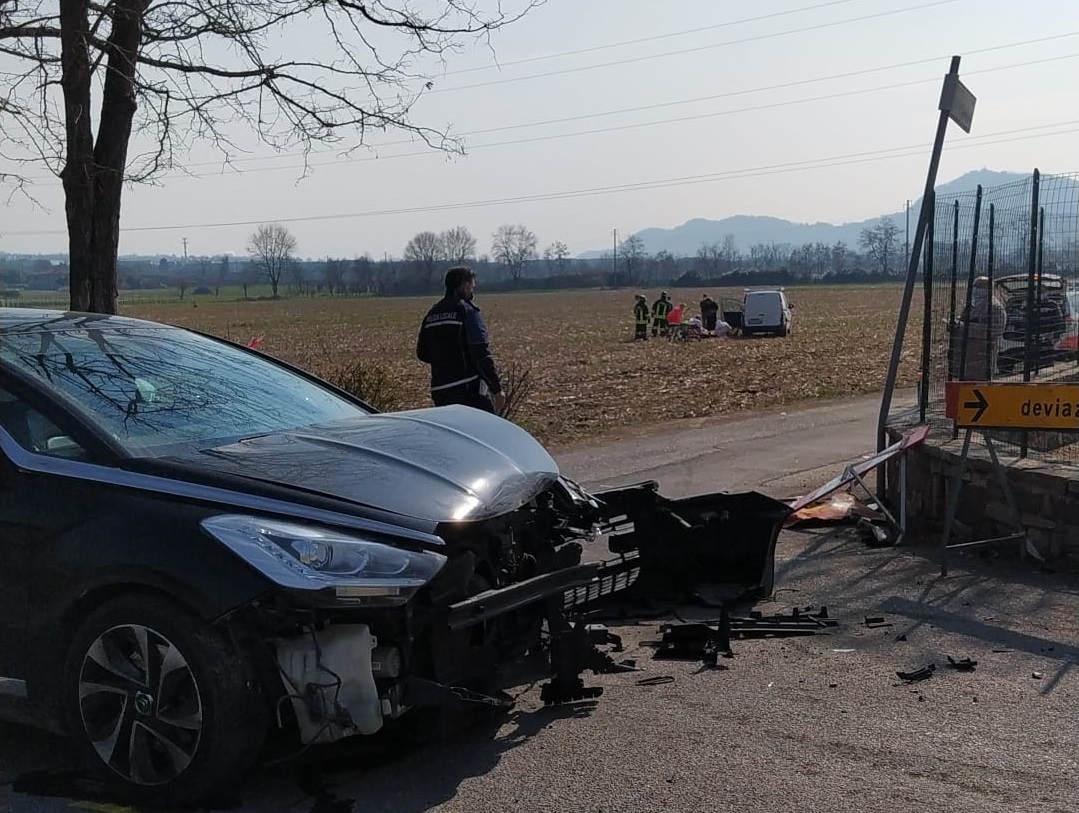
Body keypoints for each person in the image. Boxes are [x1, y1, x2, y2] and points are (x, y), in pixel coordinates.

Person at [416, 265, 506, 413]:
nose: (473, 290)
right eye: (472, 286)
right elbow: (480, 352)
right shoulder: (467, 311)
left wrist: (444, 360)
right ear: (465, 284)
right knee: (485, 432)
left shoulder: (432, 313)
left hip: (440, 390)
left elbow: (422, 353)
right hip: (468, 389)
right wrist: (497, 389)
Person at [953, 276, 1007, 379]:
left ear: (988, 289)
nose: (976, 290)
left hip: (982, 358)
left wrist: (965, 328)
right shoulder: (972, 305)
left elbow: (994, 330)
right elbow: (962, 322)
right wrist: (955, 326)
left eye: (979, 287)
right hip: (966, 358)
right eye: (974, 287)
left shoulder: (996, 308)